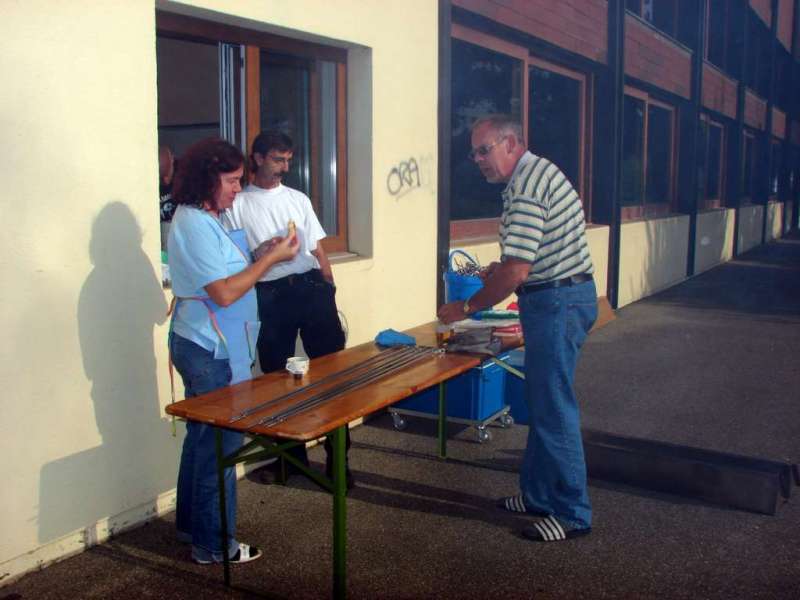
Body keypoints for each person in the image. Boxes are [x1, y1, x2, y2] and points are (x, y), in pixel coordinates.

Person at [438, 114, 597, 543]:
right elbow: (523, 261)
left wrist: (467, 305)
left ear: (511, 143)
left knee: (553, 407)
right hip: (557, 297)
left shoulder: (526, 186)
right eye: (473, 152)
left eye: (484, 149)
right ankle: (538, 495)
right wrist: (503, 269)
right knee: (542, 401)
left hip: (557, 302)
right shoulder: (532, 176)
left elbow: (518, 270)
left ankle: (572, 513)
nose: (477, 159)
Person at [167, 137, 299, 565]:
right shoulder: (191, 222)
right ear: (208, 179)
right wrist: (267, 262)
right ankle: (213, 544)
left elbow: (229, 267)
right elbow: (223, 292)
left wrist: (266, 253)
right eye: (232, 181)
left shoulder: (211, 217)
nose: (238, 190)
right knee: (218, 449)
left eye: (240, 181)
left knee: (201, 442)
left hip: (211, 344)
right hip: (208, 349)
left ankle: (192, 527)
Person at [223, 130, 353, 488]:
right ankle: (290, 461)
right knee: (276, 382)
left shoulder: (297, 198)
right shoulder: (238, 204)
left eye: (288, 160)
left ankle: (338, 463)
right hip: (269, 294)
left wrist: (329, 285)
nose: (284, 167)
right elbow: (232, 262)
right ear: (258, 158)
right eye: (278, 159)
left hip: (311, 289)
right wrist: (258, 253)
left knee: (332, 376)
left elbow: (317, 247)